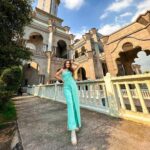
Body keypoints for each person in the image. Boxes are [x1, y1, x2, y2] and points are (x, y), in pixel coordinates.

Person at [55, 59, 81, 145]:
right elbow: (56, 75)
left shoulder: (71, 70)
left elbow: (78, 64)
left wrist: (72, 62)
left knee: (75, 104)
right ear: (64, 64)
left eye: (68, 63)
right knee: (70, 104)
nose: (67, 64)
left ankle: (76, 124)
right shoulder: (62, 70)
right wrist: (62, 80)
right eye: (66, 63)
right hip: (66, 87)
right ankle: (72, 130)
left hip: (73, 86)